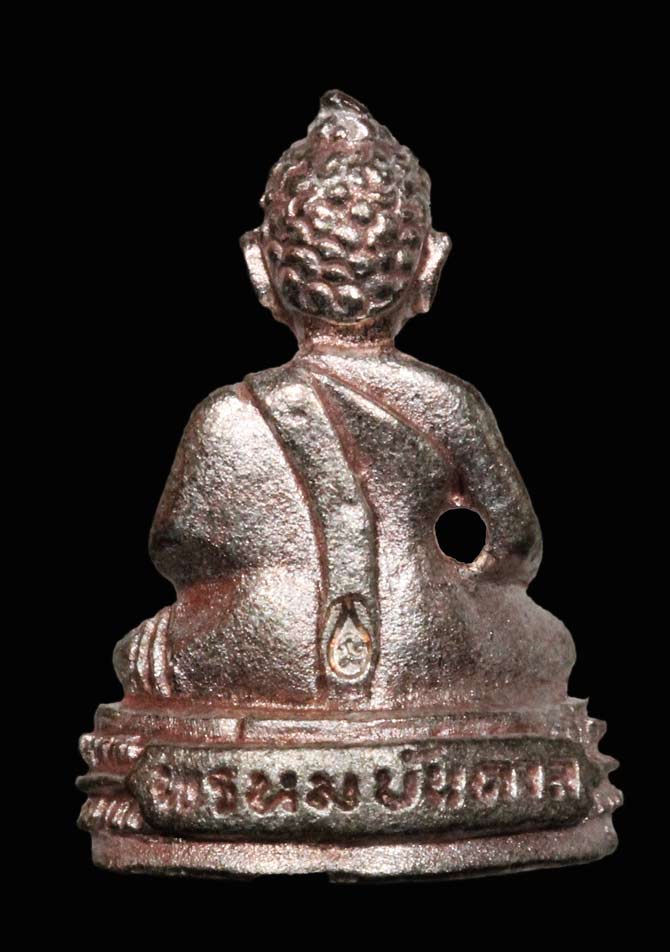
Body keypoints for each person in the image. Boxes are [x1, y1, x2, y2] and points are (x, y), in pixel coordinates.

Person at [114, 90, 574, 712]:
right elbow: (515, 549)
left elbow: (178, 551)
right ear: (430, 267)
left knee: (147, 650)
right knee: (548, 641)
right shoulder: (452, 403)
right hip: (425, 637)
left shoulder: (225, 414)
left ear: (258, 269)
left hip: (268, 643)